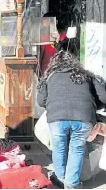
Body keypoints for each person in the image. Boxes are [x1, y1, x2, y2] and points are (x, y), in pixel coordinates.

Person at [37, 49, 106, 189]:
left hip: (57, 118)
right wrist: (92, 106)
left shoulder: (50, 76)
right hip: (84, 118)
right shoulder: (87, 75)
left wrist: (54, 103)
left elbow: (40, 101)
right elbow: (104, 96)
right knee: (77, 149)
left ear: (54, 64)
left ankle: (61, 179)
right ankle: (71, 184)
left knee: (58, 148)